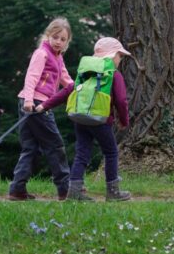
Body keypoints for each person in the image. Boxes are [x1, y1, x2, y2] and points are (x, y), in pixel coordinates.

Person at [37, 36, 133, 202]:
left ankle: (74, 193)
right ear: (112, 55)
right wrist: (124, 121)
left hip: (80, 119)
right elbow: (121, 101)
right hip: (100, 121)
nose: (120, 60)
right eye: (120, 56)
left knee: (82, 154)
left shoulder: (86, 74)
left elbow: (67, 91)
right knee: (111, 152)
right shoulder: (113, 75)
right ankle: (113, 192)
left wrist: (44, 105)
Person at [8, 18, 74, 201]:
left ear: (67, 42)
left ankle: (17, 189)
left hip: (36, 103)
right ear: (48, 35)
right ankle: (65, 189)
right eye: (56, 37)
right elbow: (31, 77)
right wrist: (29, 100)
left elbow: (66, 80)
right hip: (34, 104)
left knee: (31, 148)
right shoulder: (42, 53)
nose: (59, 41)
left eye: (63, 39)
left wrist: (80, 88)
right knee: (55, 145)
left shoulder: (58, 57)